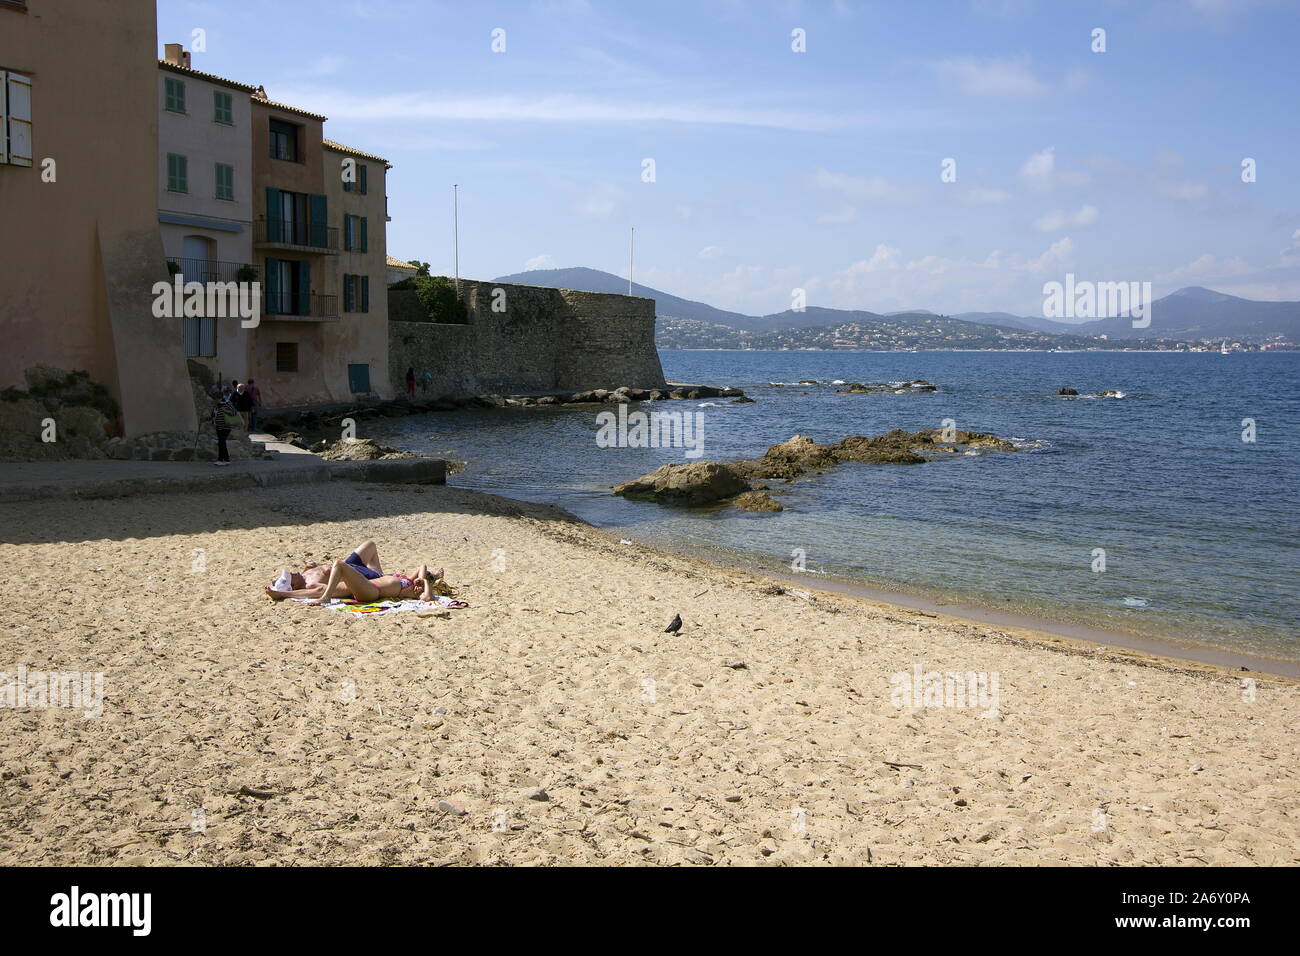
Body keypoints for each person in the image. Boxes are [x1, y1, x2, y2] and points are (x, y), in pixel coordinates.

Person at [264, 540, 443, 602]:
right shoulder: (411, 587)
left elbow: (424, 583)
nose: (293, 573)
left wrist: (423, 580)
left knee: (366, 547)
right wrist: (422, 580)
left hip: (370, 583)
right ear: (293, 585)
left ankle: (326, 594)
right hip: (372, 589)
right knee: (339, 565)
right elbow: (426, 593)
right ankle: (326, 597)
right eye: (290, 577)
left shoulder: (410, 588)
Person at [210, 386, 238, 466]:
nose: (214, 401)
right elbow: (213, 415)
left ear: (219, 398)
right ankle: (226, 460)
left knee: (221, 442)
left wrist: (225, 410)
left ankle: (220, 459)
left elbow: (234, 412)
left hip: (226, 427)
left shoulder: (227, 403)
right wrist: (205, 419)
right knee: (221, 443)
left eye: (215, 399)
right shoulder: (216, 406)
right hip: (218, 427)